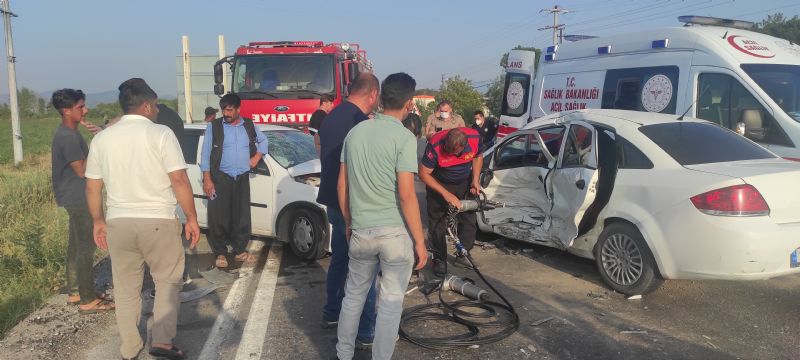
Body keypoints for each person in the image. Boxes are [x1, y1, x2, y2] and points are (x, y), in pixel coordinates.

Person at [85, 78, 201, 360]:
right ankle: (161, 341)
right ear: (147, 106)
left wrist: (98, 221)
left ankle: (129, 348)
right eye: (157, 105)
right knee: (167, 281)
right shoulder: (160, 134)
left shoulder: (101, 138)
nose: (159, 110)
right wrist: (191, 217)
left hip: (119, 222)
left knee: (125, 288)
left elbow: (92, 186)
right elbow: (179, 179)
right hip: (157, 219)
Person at [335, 72, 428, 360]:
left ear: (382, 97)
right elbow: (406, 195)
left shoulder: (356, 132)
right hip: (394, 235)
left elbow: (342, 185)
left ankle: (343, 354)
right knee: (389, 303)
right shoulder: (404, 138)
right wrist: (420, 242)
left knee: (353, 297)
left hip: (362, 230)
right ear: (409, 102)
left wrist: (349, 222)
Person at [317, 73, 380, 347]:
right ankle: (366, 331)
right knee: (364, 267)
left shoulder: (330, 116)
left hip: (332, 198)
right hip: (351, 204)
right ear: (373, 94)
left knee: (340, 259)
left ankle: (332, 312)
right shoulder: (359, 122)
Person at [50, 89, 114, 313]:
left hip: (73, 195)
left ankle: (76, 292)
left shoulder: (70, 132)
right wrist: (100, 143)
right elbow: (83, 170)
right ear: (66, 111)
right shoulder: (68, 137)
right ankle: (88, 299)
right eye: (80, 107)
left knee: (75, 245)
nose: (85, 110)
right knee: (86, 248)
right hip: (78, 197)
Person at [200, 93, 268, 268]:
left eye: (230, 110)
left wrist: (256, 158)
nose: (226, 113)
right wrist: (207, 179)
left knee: (241, 216)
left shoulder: (249, 125)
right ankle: (220, 252)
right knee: (219, 217)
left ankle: (239, 250)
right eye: (224, 110)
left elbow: (264, 141)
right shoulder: (214, 127)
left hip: (242, 178)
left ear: (239, 109)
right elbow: (206, 154)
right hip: (220, 178)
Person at [419, 127, 484, 277]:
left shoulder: (474, 138)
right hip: (439, 183)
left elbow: (478, 156)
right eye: (448, 151)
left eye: (454, 152)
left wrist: (475, 179)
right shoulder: (435, 145)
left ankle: (463, 254)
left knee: (468, 220)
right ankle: (439, 259)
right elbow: (423, 174)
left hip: (464, 182)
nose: (451, 155)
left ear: (464, 146)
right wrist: (446, 194)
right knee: (437, 223)